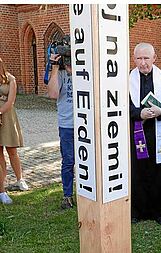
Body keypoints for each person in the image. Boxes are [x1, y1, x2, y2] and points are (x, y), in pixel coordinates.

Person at [129, 43, 161, 225]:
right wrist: (138, 114)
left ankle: (159, 211)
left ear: (154, 58)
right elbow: (120, 107)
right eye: (139, 59)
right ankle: (137, 210)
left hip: (159, 135)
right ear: (134, 59)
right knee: (137, 171)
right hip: (136, 133)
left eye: (146, 58)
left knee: (159, 171)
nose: (143, 63)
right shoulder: (127, 79)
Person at [47, 36, 75, 210]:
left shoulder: (87, 71)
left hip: (87, 123)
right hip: (67, 125)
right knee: (68, 161)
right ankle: (67, 196)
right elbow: (53, 94)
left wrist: (75, 69)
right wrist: (55, 67)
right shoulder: (59, 73)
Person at [0, 57, 28, 204]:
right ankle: (1, 184)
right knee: (0, 155)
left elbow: (10, 102)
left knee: (12, 151)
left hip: (8, 118)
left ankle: (20, 179)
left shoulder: (11, 79)